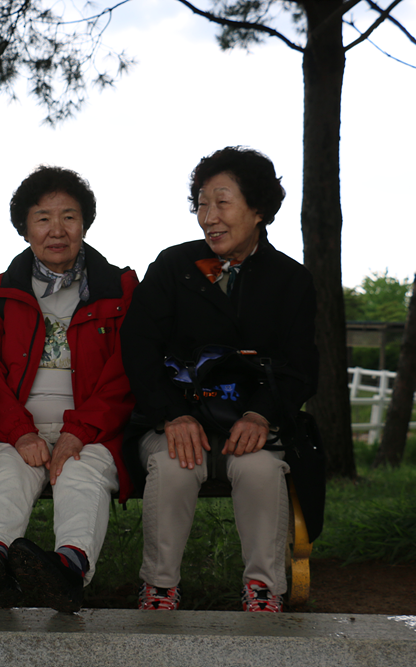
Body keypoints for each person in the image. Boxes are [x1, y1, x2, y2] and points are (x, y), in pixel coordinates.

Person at [121, 146, 318, 613]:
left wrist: (260, 414)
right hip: (176, 417)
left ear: (258, 209)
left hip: (249, 422)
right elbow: (138, 346)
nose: (209, 217)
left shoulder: (289, 280)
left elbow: (300, 366)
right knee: (175, 464)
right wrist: (173, 414)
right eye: (202, 205)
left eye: (222, 203)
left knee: (260, 469)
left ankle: (264, 589)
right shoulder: (175, 267)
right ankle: (159, 586)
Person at [0, 166, 137, 613]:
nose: (57, 230)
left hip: (92, 430)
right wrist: (20, 432)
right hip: (18, 427)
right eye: (42, 218)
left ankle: (67, 571)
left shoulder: (120, 289)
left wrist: (79, 431)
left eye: (69, 217)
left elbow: (126, 373)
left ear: (85, 224)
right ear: (25, 228)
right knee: (6, 471)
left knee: (81, 472)